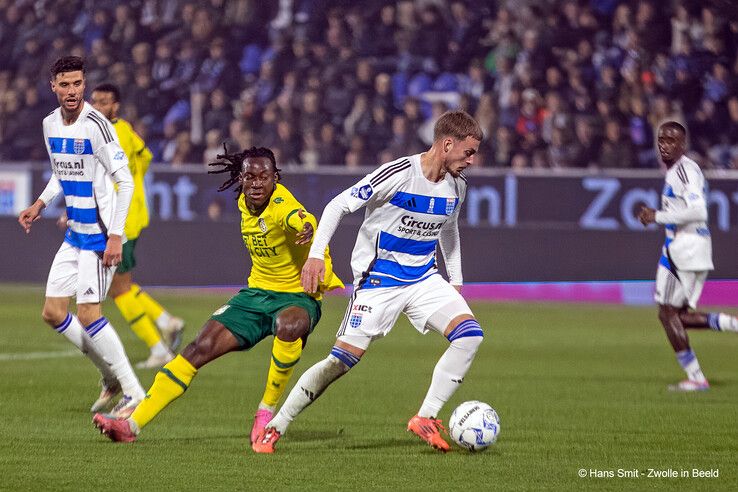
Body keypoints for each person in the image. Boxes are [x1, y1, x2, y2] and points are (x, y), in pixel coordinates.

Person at [253, 110, 485, 454]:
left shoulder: (457, 187)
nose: (472, 160)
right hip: (379, 281)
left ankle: (426, 416)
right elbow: (337, 206)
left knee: (470, 337)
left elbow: (449, 229)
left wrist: (456, 280)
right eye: (468, 152)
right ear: (447, 144)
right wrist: (316, 254)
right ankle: (276, 427)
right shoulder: (399, 173)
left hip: (424, 278)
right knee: (340, 362)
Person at [92, 146, 344, 444]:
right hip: (255, 295)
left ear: (276, 178)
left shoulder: (281, 203)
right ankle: (131, 426)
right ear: (241, 178)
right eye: (250, 177)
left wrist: (306, 229)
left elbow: (301, 219)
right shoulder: (243, 201)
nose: (257, 183)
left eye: (264, 177)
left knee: (289, 327)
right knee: (199, 347)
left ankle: (265, 412)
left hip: (298, 296)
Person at [17, 56, 146, 418]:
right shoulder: (49, 125)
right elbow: (61, 171)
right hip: (75, 234)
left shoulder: (97, 126)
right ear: (53, 87)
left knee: (89, 314)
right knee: (53, 312)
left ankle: (135, 392)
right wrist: (41, 203)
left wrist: (116, 236)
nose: (72, 91)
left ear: (84, 85)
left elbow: (125, 180)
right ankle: (111, 379)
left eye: (77, 83)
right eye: (64, 84)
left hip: (100, 236)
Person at [90, 83, 185, 369]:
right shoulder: (127, 130)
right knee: (122, 285)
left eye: (104, 102)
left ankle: (159, 348)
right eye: (94, 101)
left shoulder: (107, 135)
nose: (97, 107)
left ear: (115, 106)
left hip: (120, 221)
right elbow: (145, 156)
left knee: (118, 290)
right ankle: (166, 321)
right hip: (133, 215)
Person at [638, 121, 738, 392]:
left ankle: (696, 378)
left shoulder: (685, 171)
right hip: (688, 247)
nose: (664, 145)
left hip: (685, 248)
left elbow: (698, 211)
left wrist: (657, 216)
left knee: (666, 313)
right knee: (678, 315)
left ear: (683, 145)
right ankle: (732, 325)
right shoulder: (676, 171)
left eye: (671, 141)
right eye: (661, 139)